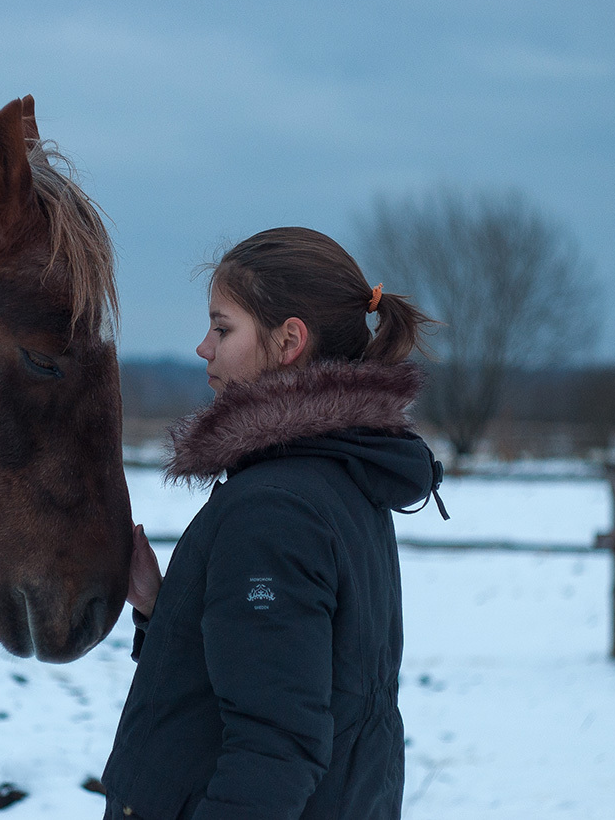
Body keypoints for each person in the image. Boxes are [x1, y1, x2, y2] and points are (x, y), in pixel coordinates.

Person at [102, 227, 447, 820]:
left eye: (222, 327)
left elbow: (274, 750)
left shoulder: (276, 509)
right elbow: (291, 672)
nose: (202, 348)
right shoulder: (338, 475)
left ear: (289, 340)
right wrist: (169, 611)